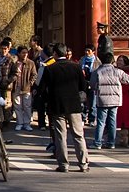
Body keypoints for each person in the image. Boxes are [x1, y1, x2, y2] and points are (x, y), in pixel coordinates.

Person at [39, 43, 90, 173]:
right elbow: (83, 86)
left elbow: (42, 89)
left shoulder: (50, 69)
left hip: (56, 105)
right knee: (78, 135)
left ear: (55, 54)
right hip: (74, 105)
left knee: (61, 136)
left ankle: (63, 164)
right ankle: (83, 164)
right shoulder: (76, 67)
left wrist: (45, 102)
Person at [90, 53, 129, 149]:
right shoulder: (117, 71)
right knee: (112, 122)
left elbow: (92, 84)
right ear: (112, 61)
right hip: (115, 100)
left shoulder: (97, 72)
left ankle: (98, 143)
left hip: (102, 100)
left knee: (101, 122)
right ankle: (111, 143)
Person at [12, 46, 37, 132]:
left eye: (26, 52)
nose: (25, 54)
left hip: (26, 87)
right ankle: (19, 123)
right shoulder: (14, 63)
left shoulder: (31, 63)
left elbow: (34, 75)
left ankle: (27, 123)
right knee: (17, 106)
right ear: (19, 53)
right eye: (23, 52)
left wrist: (30, 83)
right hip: (16, 87)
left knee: (27, 106)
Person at [115, 55, 129, 146]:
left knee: (124, 118)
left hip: (125, 97)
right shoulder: (119, 71)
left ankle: (124, 139)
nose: (119, 62)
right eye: (118, 60)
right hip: (122, 96)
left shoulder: (126, 72)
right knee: (127, 117)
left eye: (121, 61)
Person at [80, 45, 97, 126]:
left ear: (93, 52)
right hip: (83, 83)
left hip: (93, 83)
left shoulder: (97, 61)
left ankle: (91, 119)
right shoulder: (82, 60)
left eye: (89, 51)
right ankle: (83, 117)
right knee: (82, 101)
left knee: (93, 103)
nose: (87, 52)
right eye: (86, 50)